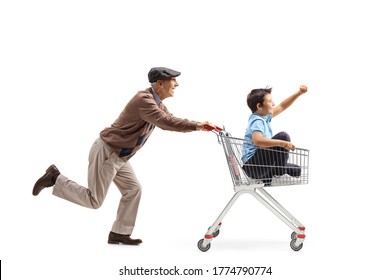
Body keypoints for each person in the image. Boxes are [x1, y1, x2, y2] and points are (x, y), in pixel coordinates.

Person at [32, 67, 212, 245]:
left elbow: (171, 119)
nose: (177, 84)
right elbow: (166, 122)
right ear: (160, 83)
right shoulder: (144, 100)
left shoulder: (157, 104)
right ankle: (55, 178)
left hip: (119, 156)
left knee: (133, 190)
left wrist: (199, 125)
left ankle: (119, 233)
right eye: (173, 80)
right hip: (108, 152)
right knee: (94, 200)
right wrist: (198, 126)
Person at [242, 85, 308, 185]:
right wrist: (282, 143)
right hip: (253, 166)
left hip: (260, 165)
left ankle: (269, 177)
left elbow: (282, 106)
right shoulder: (257, 120)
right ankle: (279, 173)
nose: (273, 104)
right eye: (269, 101)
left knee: (296, 170)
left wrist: (298, 93)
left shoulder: (264, 117)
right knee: (283, 136)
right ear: (259, 106)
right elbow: (257, 140)